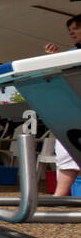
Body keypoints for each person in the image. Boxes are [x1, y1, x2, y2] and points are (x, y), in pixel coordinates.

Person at [43, 15, 81, 196]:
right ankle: (59, 197)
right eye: (70, 30)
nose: (72, 32)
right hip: (73, 110)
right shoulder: (72, 54)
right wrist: (57, 59)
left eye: (76, 28)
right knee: (65, 151)